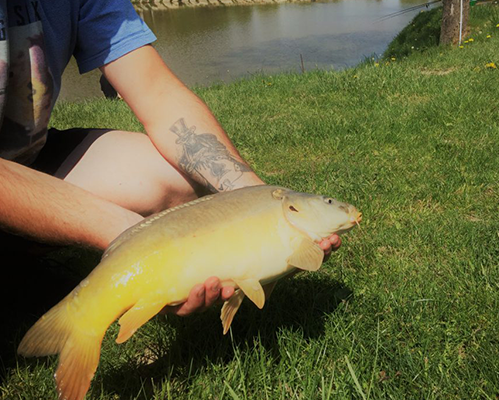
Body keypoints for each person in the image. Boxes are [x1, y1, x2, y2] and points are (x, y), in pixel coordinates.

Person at [0, 0, 341, 316]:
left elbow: (156, 92)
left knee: (175, 178)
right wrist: (133, 238)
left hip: (29, 154)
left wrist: (261, 203)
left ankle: (21, 250)